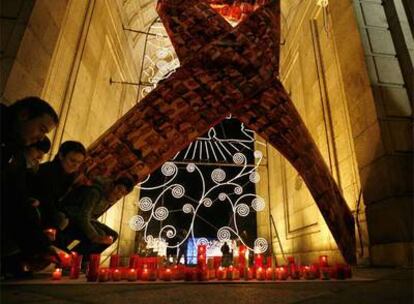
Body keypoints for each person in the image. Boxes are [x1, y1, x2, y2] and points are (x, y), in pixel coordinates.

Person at [1, 97, 60, 277]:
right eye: (41, 129)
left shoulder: (15, 153)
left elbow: (17, 197)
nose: (40, 138)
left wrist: (40, 247)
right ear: (24, 115)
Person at [60, 176, 134, 257]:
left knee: (113, 235)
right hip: (72, 215)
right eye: (119, 189)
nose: (118, 193)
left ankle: (89, 258)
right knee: (99, 236)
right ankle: (79, 258)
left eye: (122, 193)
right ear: (113, 185)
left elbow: (91, 216)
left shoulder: (109, 198)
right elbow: (83, 216)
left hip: (87, 218)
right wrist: (95, 236)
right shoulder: (95, 193)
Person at [29, 141, 86, 231]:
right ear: (61, 156)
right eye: (72, 160)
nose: (75, 165)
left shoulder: (69, 176)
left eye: (79, 162)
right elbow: (45, 199)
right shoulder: (48, 171)